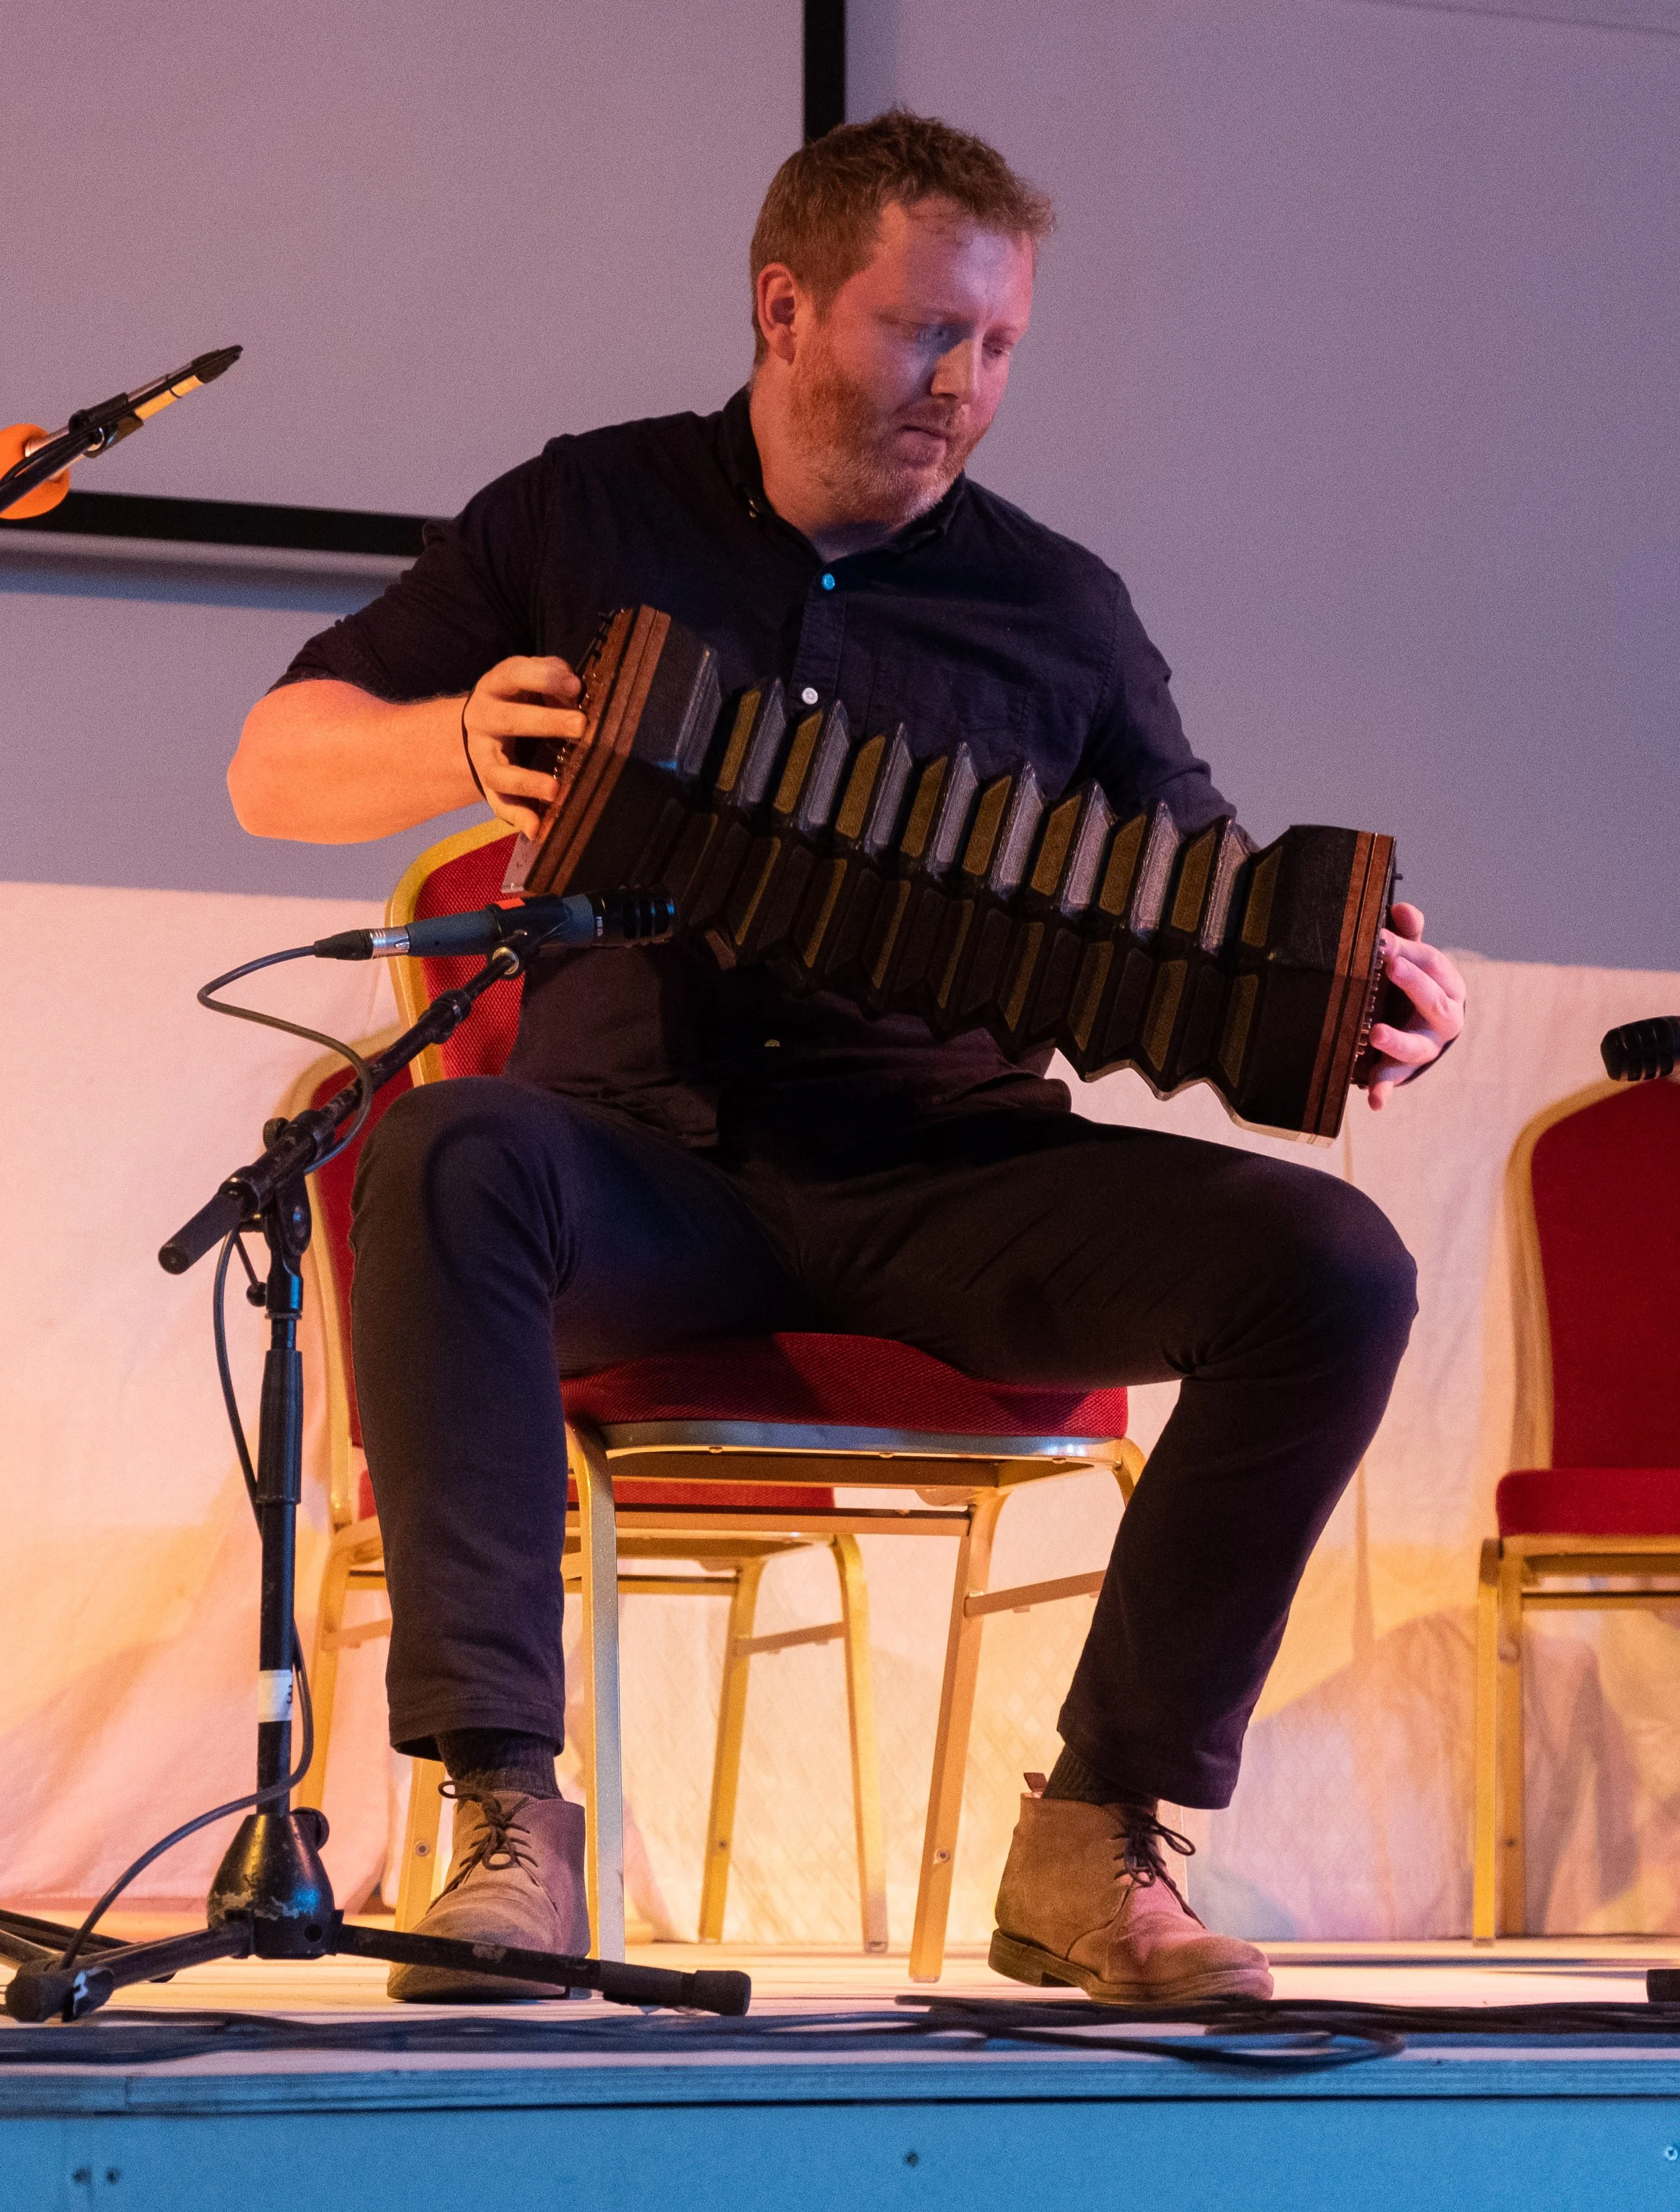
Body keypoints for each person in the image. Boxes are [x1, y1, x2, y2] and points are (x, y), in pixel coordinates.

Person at [231, 111, 1465, 2004]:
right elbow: (271, 761)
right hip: (640, 1169)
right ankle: (503, 1812)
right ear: (785, 304)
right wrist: (459, 745)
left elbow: (1203, 891)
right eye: (920, 332)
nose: (960, 386)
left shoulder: (1057, 606)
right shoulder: (585, 512)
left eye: (995, 347)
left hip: (949, 1179)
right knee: (447, 1142)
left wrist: (1369, 979)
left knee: (1331, 1262)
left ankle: (1093, 1836)